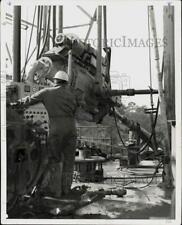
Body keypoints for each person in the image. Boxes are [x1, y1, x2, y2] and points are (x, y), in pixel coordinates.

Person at [15, 70, 84, 197]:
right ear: (66, 82)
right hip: (71, 129)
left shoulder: (47, 92)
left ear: (55, 81)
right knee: (69, 160)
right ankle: (66, 190)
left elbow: (30, 99)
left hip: (56, 128)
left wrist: (16, 104)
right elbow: (79, 109)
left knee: (54, 158)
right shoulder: (72, 94)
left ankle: (55, 191)